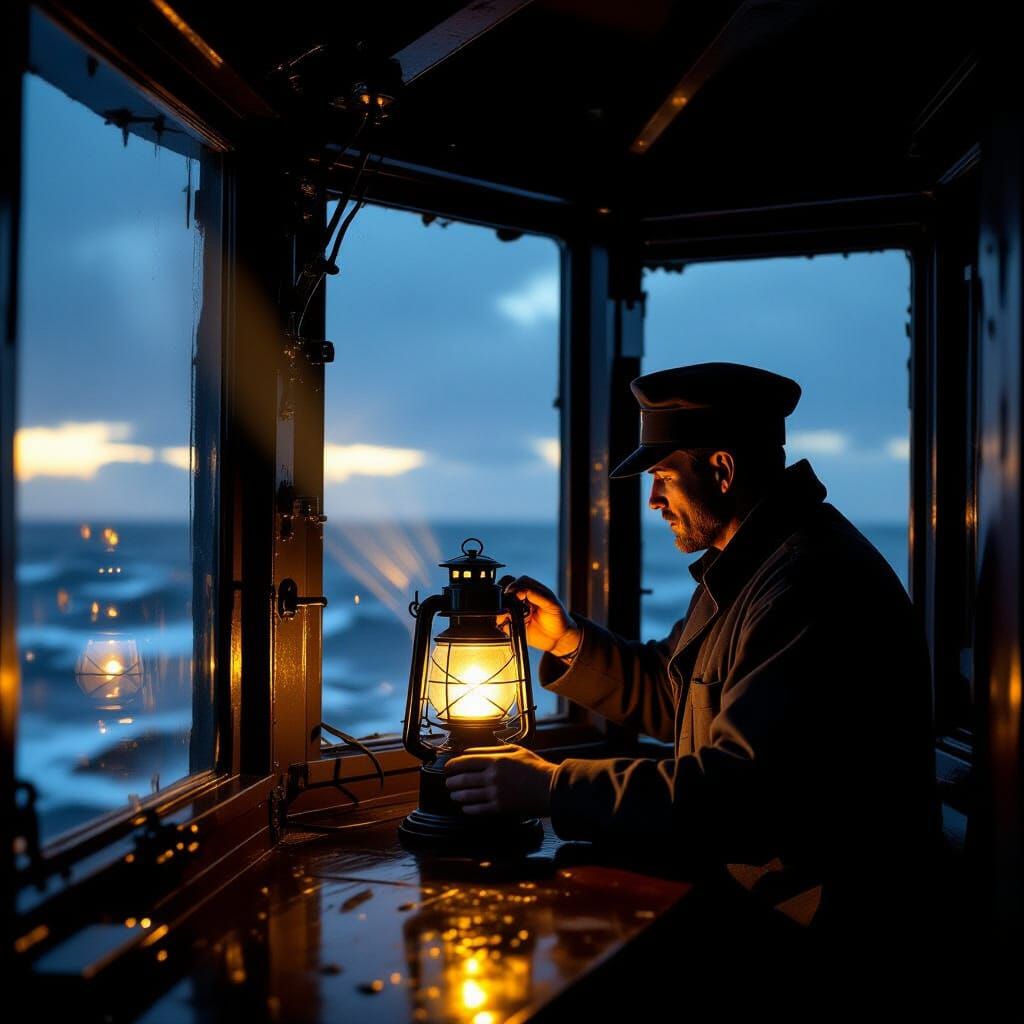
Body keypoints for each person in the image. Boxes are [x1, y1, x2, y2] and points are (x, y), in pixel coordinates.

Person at [445, 361, 941, 934]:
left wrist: (552, 786)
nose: (653, 500)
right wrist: (566, 640)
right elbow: (677, 691)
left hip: (826, 924)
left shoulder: (805, 585)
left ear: (722, 469)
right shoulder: (753, 568)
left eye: (664, 477)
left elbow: (740, 795)